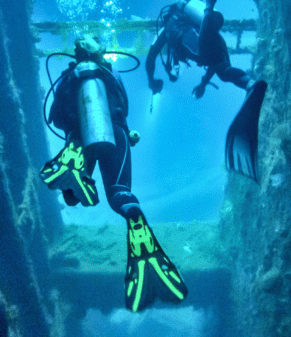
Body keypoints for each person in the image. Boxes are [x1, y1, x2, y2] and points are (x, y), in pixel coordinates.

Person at [40, 36, 187, 312]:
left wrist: (76, 127)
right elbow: (124, 107)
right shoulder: (110, 72)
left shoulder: (69, 76)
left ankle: (72, 168)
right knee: (120, 194)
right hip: (116, 134)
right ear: (102, 52)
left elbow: (54, 117)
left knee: (72, 197)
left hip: (78, 137)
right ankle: (142, 241)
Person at [146, 0, 268, 181]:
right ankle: (249, 84)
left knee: (205, 54)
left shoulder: (168, 29)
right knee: (223, 71)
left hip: (205, 36)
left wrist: (151, 81)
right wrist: (203, 84)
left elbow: (150, 57)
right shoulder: (179, 28)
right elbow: (211, 64)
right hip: (212, 36)